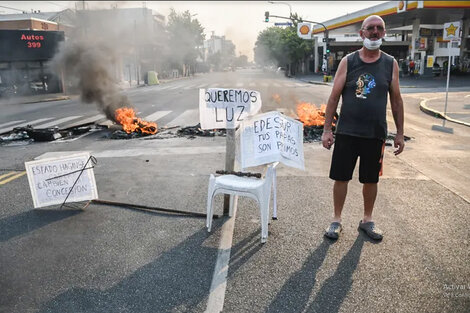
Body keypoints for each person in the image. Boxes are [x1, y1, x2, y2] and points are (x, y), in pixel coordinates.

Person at [321, 15, 404, 240]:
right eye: (370, 28)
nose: (375, 32)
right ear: (362, 33)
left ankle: (367, 220)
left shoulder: (390, 63)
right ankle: (336, 220)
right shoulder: (349, 61)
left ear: (384, 33)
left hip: (375, 134)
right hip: (347, 131)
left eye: (379, 28)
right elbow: (333, 97)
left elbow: (396, 100)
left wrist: (399, 133)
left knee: (371, 180)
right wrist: (328, 129)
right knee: (341, 177)